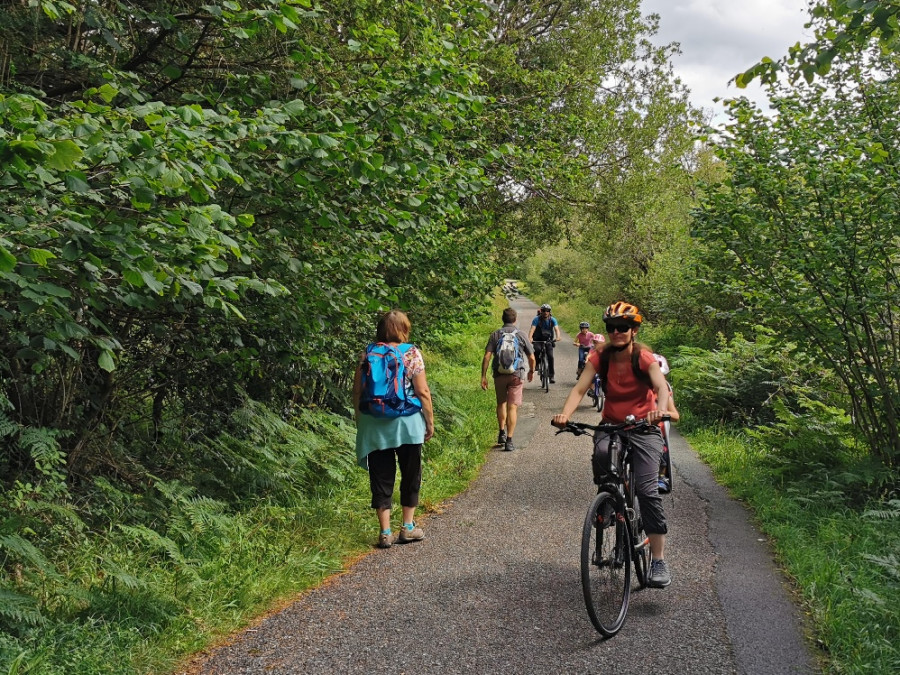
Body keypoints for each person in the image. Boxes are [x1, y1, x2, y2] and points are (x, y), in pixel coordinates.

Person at [551, 301, 673, 588]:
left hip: (644, 428)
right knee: (602, 454)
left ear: (634, 330)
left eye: (623, 328)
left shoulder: (642, 356)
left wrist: (660, 411)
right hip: (612, 425)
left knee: (646, 491)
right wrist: (565, 415)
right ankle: (607, 500)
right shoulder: (600, 355)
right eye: (611, 328)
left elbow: (659, 387)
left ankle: (658, 560)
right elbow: (580, 387)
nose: (616, 332)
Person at [352, 310, 435, 549]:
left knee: (380, 474)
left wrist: (361, 420)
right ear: (404, 329)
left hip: (373, 423)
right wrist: (429, 422)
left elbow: (357, 391)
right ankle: (408, 527)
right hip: (407, 422)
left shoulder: (367, 353)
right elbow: (423, 392)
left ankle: (385, 532)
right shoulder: (411, 353)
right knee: (410, 473)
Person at [481, 307, 536, 452]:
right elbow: (531, 357)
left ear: (502, 319)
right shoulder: (521, 334)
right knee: (512, 407)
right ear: (515, 319)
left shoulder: (495, 334)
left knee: (501, 403)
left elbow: (487, 356)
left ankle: (501, 433)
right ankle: (510, 441)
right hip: (516, 375)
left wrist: (483, 376)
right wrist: (531, 371)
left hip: (499, 374)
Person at [653, 353, 680, 493]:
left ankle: (661, 476)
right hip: (634, 428)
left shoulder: (666, 393)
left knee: (661, 452)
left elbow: (676, 415)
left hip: (657, 432)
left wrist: (663, 413)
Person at [529, 303, 561, 383]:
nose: (545, 312)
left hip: (548, 340)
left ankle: (551, 376)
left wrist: (558, 337)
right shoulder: (536, 319)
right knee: (537, 350)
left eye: (547, 311)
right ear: (541, 311)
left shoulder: (552, 320)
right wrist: (530, 338)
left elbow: (557, 329)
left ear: (549, 312)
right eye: (543, 311)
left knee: (550, 356)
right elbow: (532, 329)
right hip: (538, 339)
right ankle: (536, 364)